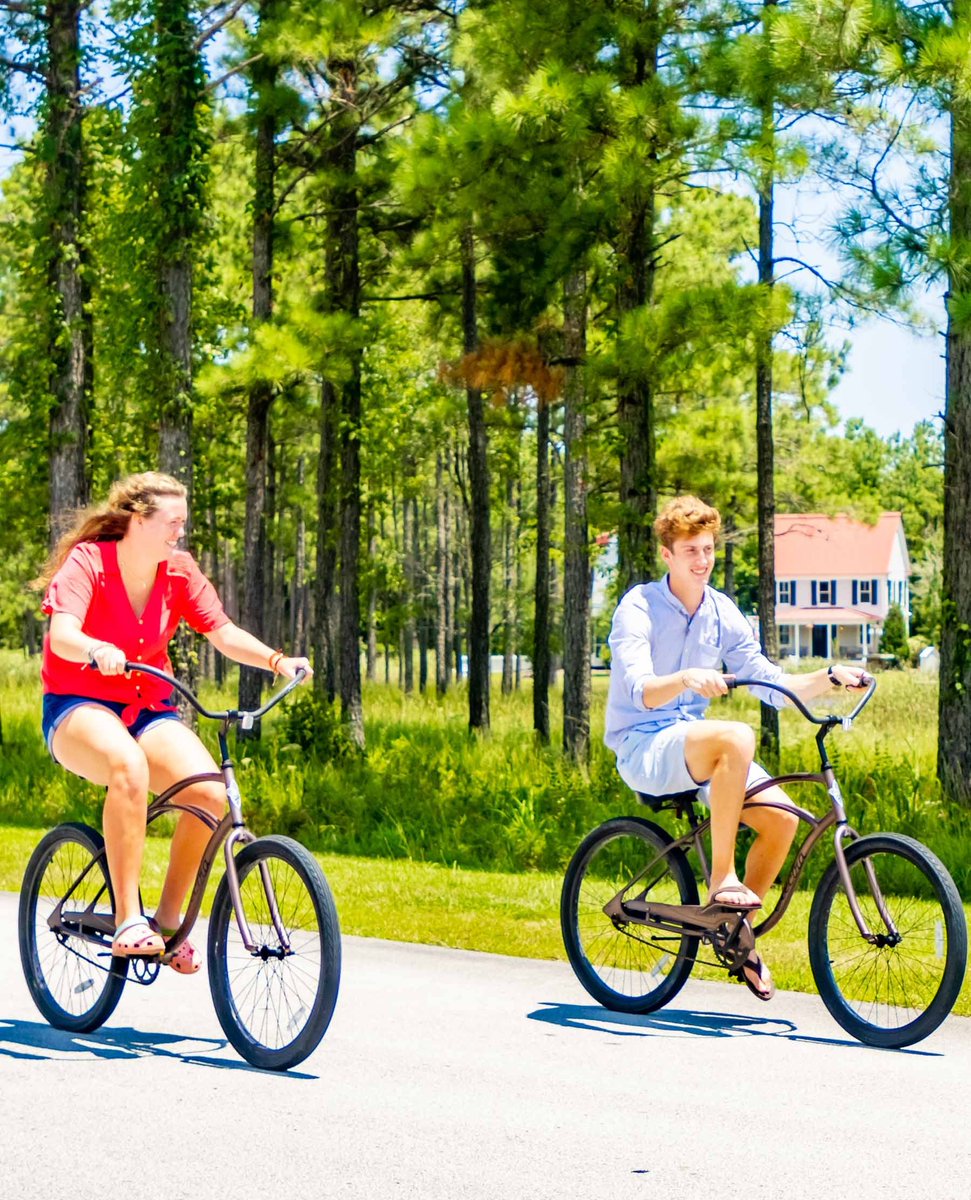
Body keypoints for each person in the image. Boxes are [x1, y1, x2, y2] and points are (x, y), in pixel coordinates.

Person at [35, 471, 312, 973]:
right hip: (77, 704)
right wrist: (97, 649)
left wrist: (277, 661)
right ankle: (127, 921)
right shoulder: (89, 563)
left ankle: (165, 925)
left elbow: (222, 633)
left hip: (147, 707)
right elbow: (62, 635)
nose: (179, 533)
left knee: (210, 794)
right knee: (127, 766)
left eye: (182, 523)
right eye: (172, 522)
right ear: (138, 521)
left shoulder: (178, 571)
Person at [605, 495, 868, 1001]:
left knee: (784, 819)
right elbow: (638, 687)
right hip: (643, 743)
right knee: (736, 736)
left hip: (693, 745)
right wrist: (685, 676)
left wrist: (828, 676)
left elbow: (769, 682)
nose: (702, 561)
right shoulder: (637, 606)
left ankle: (735, 932)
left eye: (707, 550)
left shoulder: (721, 610)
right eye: (690, 551)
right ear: (667, 555)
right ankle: (721, 876)